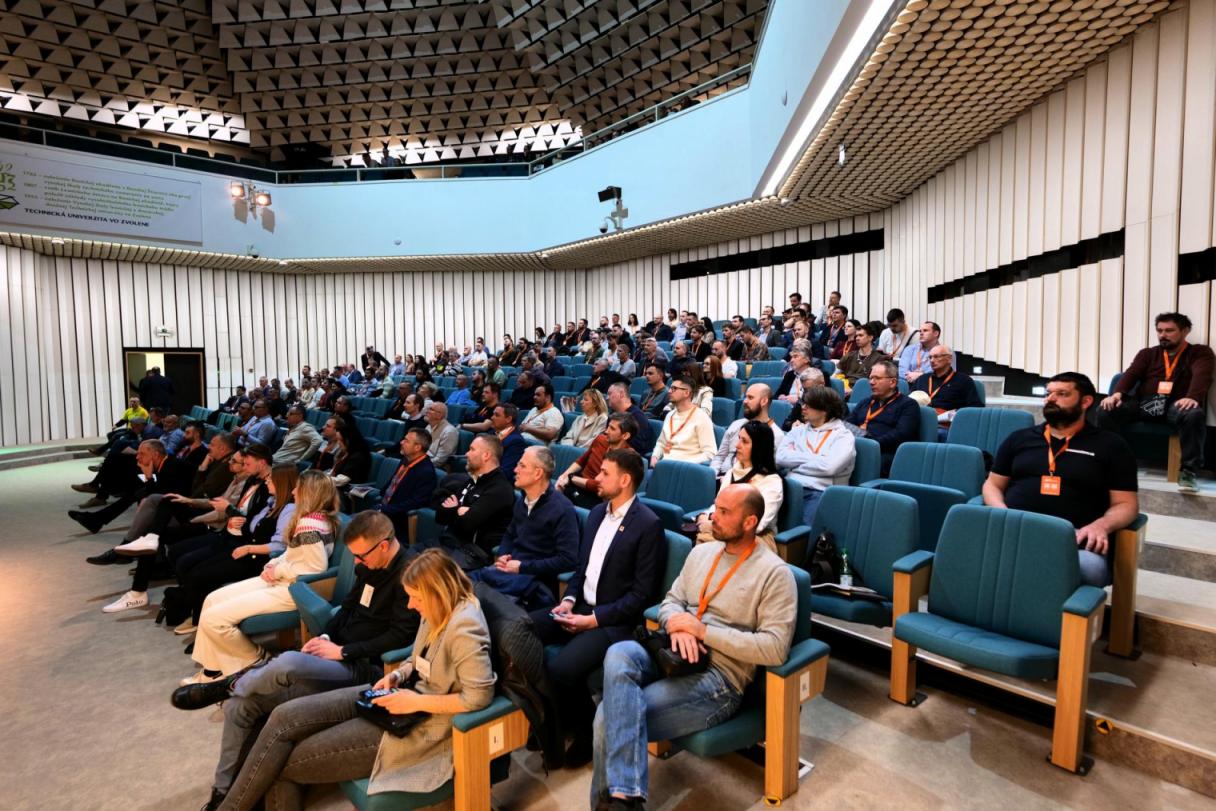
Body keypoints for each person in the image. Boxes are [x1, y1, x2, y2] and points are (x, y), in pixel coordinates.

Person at [216, 548, 493, 810]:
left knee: (281, 762)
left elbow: (478, 697)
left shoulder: (465, 627)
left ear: (437, 592)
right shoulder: (437, 608)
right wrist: (398, 673)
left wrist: (415, 702)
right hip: (400, 698)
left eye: (415, 599)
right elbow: (418, 655)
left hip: (420, 728)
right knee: (283, 716)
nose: (411, 605)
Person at [179, 510, 420, 811]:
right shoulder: (370, 565)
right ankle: (222, 791)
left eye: (361, 556)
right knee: (239, 707)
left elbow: (400, 636)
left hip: (364, 667)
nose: (357, 563)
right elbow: (346, 609)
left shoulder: (409, 575)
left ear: (383, 545)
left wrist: (344, 651)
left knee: (289, 662)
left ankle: (230, 684)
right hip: (338, 653)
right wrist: (326, 637)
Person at [591, 484, 795, 809]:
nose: (713, 517)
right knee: (618, 653)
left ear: (749, 522)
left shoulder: (775, 574)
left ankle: (617, 802)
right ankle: (625, 799)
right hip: (671, 654)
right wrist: (677, 624)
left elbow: (774, 648)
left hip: (718, 679)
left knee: (606, 716)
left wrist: (701, 631)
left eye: (724, 512)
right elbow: (671, 601)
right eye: (715, 508)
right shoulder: (702, 553)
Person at [533, 449, 666, 768]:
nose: (596, 478)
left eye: (605, 473)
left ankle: (585, 733)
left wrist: (593, 620)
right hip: (580, 605)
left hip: (614, 621)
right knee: (524, 629)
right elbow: (581, 569)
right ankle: (553, 718)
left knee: (562, 669)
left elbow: (641, 596)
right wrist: (568, 600)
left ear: (625, 480)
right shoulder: (595, 514)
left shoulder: (648, 525)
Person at [984, 373, 1139, 586]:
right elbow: (993, 484)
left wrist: (1102, 526)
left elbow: (1126, 504)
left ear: (1085, 401)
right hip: (1016, 529)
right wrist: (1002, 512)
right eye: (1048, 393)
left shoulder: (1111, 445)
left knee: (1089, 569)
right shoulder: (1019, 439)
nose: (1051, 399)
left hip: (1074, 538)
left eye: (1062, 394)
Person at [184, 470, 338, 684]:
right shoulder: (313, 518)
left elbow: (314, 569)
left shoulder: (309, 525)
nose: (293, 491)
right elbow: (292, 554)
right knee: (212, 599)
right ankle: (214, 669)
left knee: (213, 618)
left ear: (309, 493)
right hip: (283, 580)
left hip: (293, 589)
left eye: (298, 488)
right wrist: (273, 564)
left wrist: (278, 571)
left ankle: (253, 659)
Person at [1094, 312, 1213, 494]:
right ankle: (1111, 463)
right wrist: (1117, 394)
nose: (1163, 335)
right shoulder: (1148, 353)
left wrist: (1192, 397)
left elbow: (1202, 375)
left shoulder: (1199, 352)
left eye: (1169, 330)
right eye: (1159, 330)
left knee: (1193, 414)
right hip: (1145, 403)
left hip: (1175, 404)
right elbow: (1131, 374)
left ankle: (1188, 472)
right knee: (1106, 410)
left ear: (1185, 331)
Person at [470, 446, 579, 608]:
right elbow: (510, 533)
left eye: (522, 466)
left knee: (480, 604)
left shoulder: (563, 510)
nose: (515, 470)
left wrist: (522, 567)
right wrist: (503, 554)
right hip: (508, 573)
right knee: (457, 585)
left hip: (533, 582)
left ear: (538, 473)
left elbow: (568, 560)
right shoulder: (522, 501)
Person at [431, 433, 516, 569]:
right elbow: (440, 516)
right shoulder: (473, 481)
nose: (466, 454)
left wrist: (454, 508)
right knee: (410, 558)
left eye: (472, 449)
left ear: (486, 455)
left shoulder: (500, 489)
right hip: (449, 543)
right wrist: (459, 510)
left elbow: (466, 525)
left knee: (418, 568)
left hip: (471, 554)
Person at [695, 421, 783, 550]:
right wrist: (707, 515)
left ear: (759, 447)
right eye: (739, 439)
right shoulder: (732, 472)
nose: (737, 445)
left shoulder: (771, 481)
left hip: (756, 538)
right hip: (725, 529)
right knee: (703, 541)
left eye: (745, 441)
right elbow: (719, 505)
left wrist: (712, 524)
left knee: (708, 542)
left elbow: (757, 525)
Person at [776, 386, 856, 526]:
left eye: (809, 405)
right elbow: (781, 457)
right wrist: (818, 458)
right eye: (803, 403)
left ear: (824, 410)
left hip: (820, 492)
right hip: (789, 487)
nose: (803, 408)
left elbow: (829, 468)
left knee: (801, 532)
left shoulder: (843, 436)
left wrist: (794, 464)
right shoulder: (798, 431)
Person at [847, 360, 920, 476]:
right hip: (857, 448)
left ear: (892, 382)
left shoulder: (908, 405)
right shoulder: (865, 402)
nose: (871, 382)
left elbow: (901, 434)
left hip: (885, 454)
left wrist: (871, 444)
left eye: (877, 378)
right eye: (870, 378)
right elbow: (848, 425)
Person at [556, 413, 637, 506]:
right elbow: (581, 461)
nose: (606, 431)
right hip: (577, 485)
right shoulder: (600, 440)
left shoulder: (629, 457)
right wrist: (564, 476)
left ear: (625, 435)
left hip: (598, 496)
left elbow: (602, 485)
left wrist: (572, 478)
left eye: (612, 428)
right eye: (608, 426)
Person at [710, 383, 784, 478]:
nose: (745, 401)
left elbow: (767, 470)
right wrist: (712, 476)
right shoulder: (736, 424)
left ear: (764, 401)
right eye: (745, 397)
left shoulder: (776, 435)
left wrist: (732, 479)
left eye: (750, 398)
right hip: (721, 476)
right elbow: (720, 457)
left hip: (747, 481)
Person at [379, 429, 439, 545]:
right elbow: (392, 484)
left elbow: (415, 503)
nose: (401, 442)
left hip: (397, 520)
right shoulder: (406, 459)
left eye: (406, 441)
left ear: (417, 447)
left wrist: (385, 509)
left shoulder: (426, 472)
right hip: (383, 510)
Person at [912, 344, 982, 438]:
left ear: (949, 359)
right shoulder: (922, 379)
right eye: (930, 357)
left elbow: (976, 407)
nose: (932, 360)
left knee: (938, 434)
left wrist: (955, 413)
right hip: (920, 420)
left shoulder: (963, 380)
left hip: (945, 425)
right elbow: (907, 401)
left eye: (936, 357)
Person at [650, 376, 717, 467]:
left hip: (686, 468)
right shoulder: (670, 415)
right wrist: (654, 457)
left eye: (674, 388)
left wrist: (686, 464)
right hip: (665, 464)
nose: (669, 391)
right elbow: (661, 443)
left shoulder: (701, 417)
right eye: (670, 388)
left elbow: (710, 453)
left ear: (686, 393)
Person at [607, 382, 656, 456]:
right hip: (612, 452)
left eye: (610, 394)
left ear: (621, 394)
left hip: (626, 457)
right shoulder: (613, 415)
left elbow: (639, 446)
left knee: (601, 440)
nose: (607, 397)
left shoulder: (637, 416)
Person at [838, 321, 890, 386]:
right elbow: (837, 372)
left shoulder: (879, 359)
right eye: (856, 336)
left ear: (870, 337)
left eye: (861, 335)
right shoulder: (850, 355)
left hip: (866, 388)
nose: (857, 338)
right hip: (845, 386)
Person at [520, 381, 564, 446]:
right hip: (522, 441)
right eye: (534, 394)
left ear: (547, 397)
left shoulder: (554, 412)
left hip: (537, 447)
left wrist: (529, 429)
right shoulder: (534, 409)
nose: (534, 397)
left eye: (538, 395)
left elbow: (550, 434)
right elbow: (523, 426)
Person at [423, 402, 459, 470]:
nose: (426, 411)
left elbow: (440, 460)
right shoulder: (428, 426)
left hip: (436, 468)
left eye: (431, 409)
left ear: (439, 416)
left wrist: (419, 464)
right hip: (424, 461)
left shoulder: (449, 432)